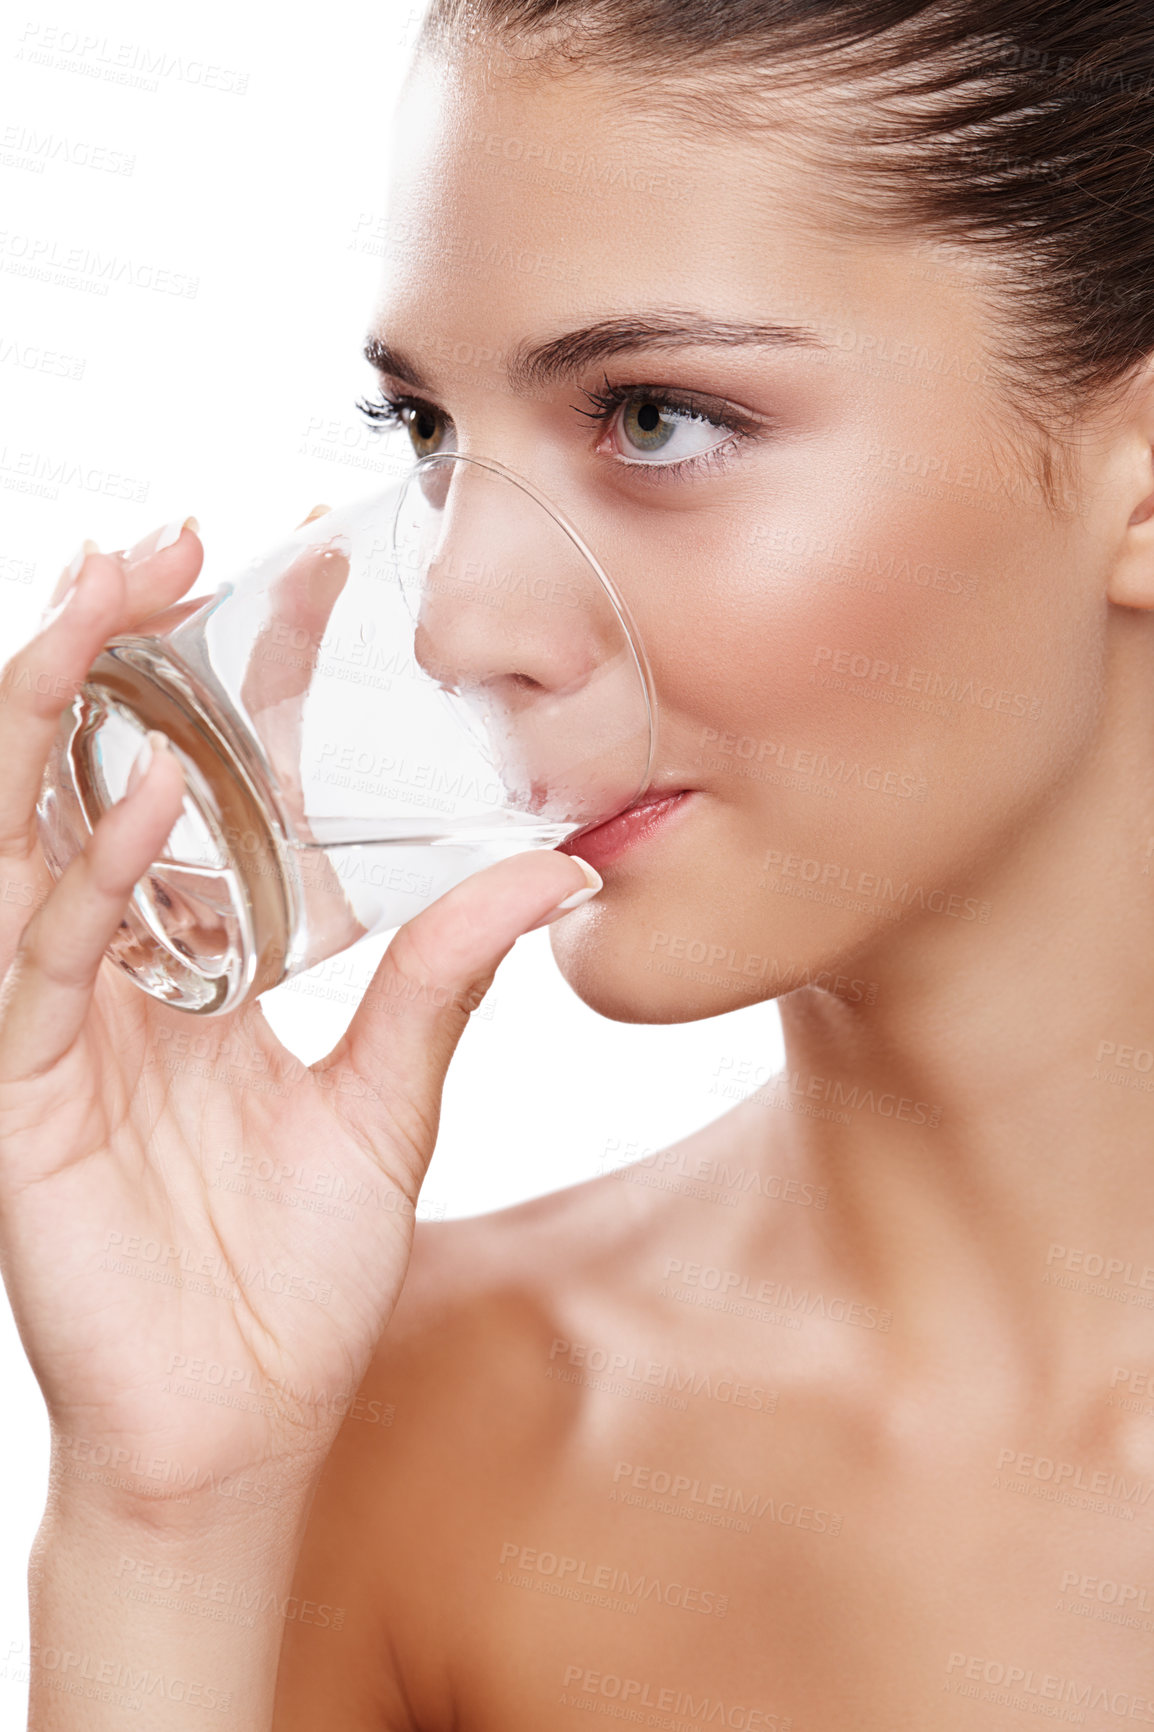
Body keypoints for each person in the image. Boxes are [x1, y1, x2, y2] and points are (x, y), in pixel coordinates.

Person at [4, 0, 1154, 1724]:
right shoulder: (405, 1433)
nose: (462, 618)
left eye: (657, 419)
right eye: (425, 436)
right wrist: (170, 1520)